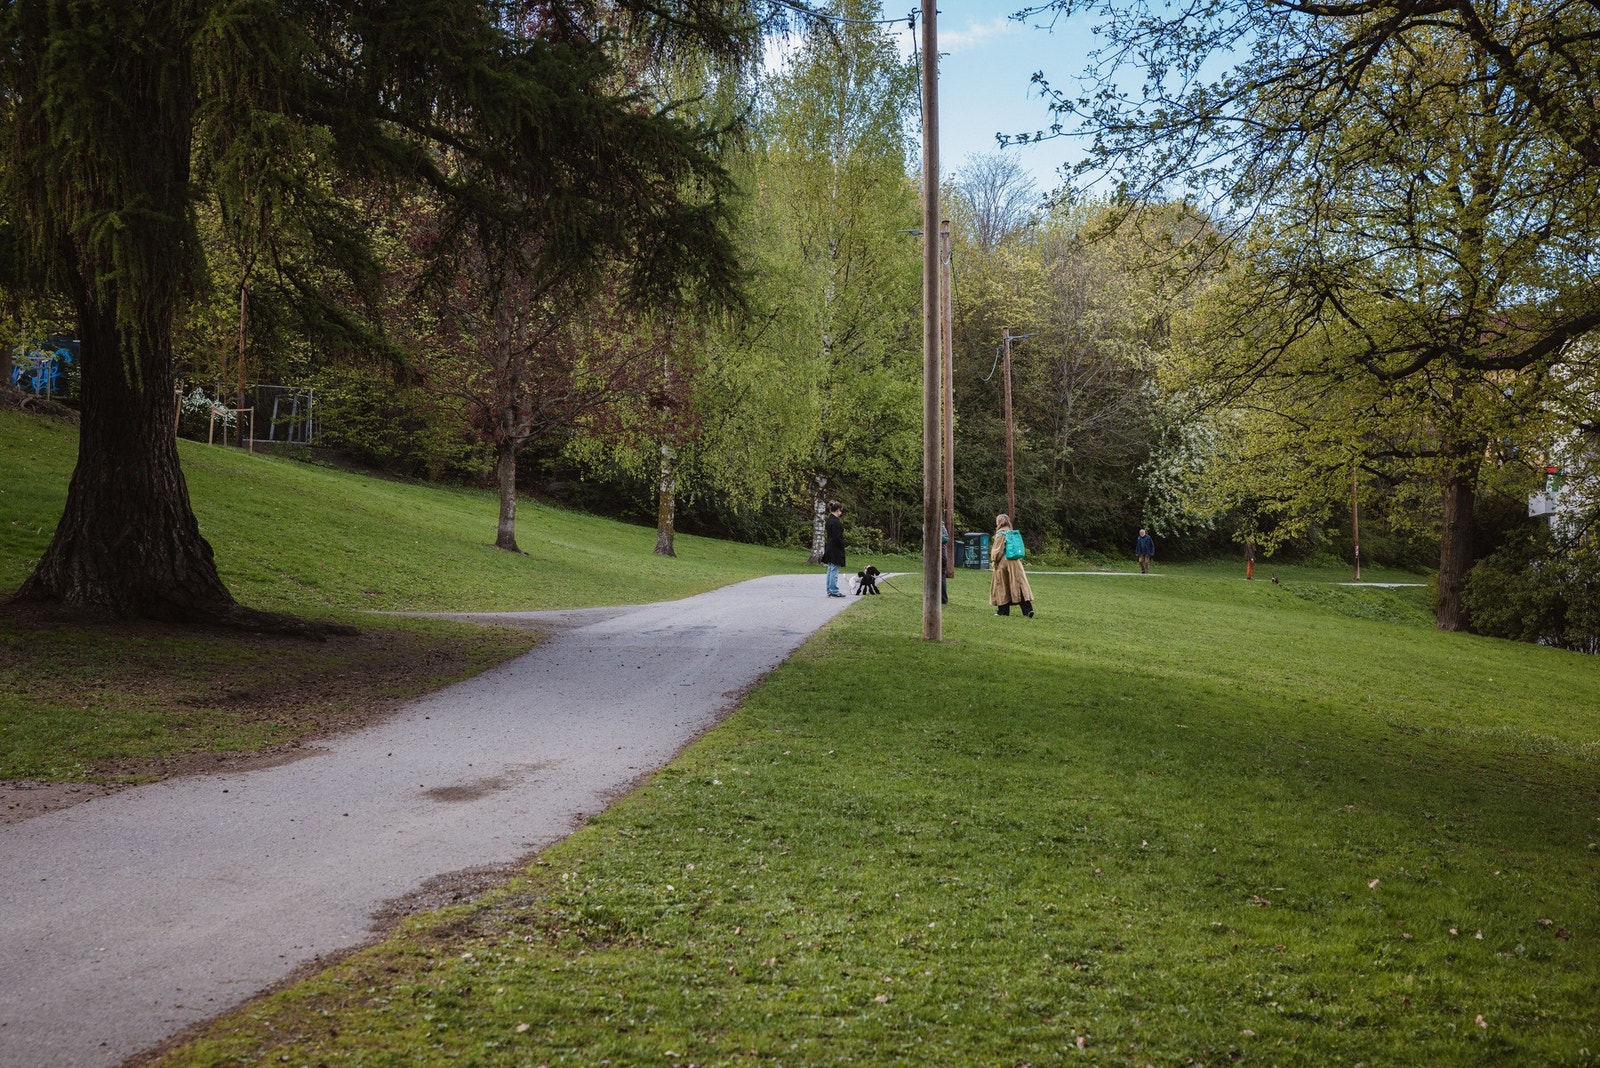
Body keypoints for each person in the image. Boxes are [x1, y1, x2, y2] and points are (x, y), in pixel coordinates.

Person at [989, 513, 1034, 617]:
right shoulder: (1012, 532)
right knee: (1018, 585)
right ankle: (1028, 610)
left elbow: (997, 551)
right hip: (1016, 562)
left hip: (1003, 563)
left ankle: (1003, 611)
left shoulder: (1000, 534)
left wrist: (994, 561)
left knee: (1001, 586)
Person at [822, 500, 846, 597]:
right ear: (837, 510)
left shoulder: (829, 520)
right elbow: (837, 537)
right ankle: (833, 590)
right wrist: (842, 545)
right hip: (835, 548)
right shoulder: (836, 522)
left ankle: (829, 589)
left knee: (830, 568)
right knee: (834, 569)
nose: (841, 512)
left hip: (830, 546)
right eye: (840, 510)